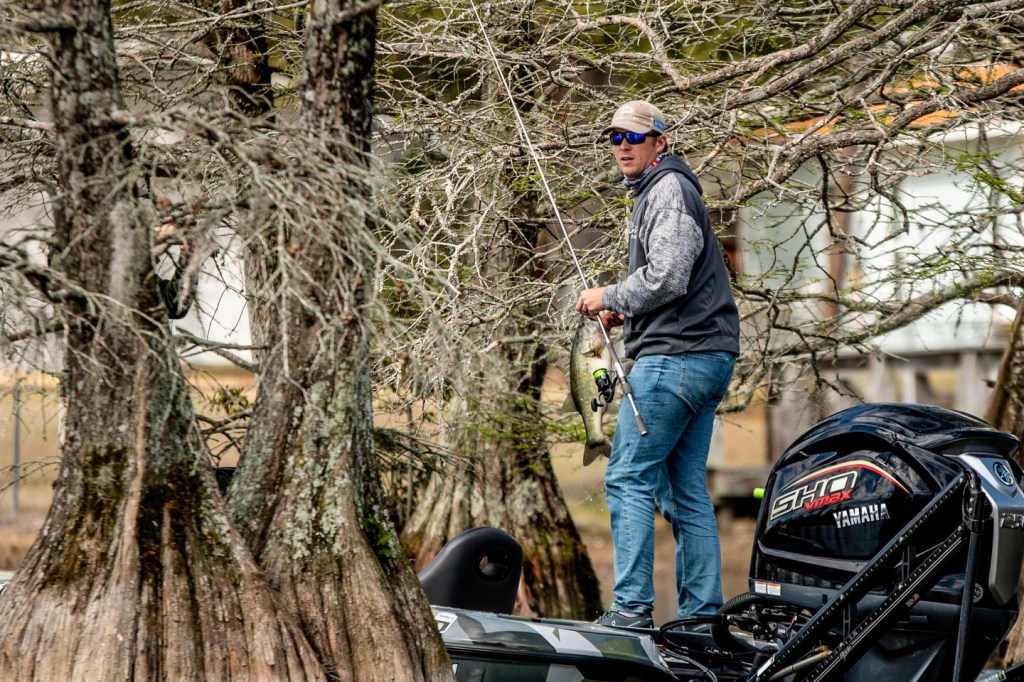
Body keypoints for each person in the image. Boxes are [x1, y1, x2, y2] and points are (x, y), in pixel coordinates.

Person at [576, 100, 740, 628]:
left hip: (677, 361)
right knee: (686, 492)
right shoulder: (660, 190)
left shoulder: (667, 189)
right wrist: (627, 308)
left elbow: (669, 275)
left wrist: (608, 294)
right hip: (704, 357)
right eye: (615, 138)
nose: (622, 147)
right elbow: (675, 284)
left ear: (659, 142)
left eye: (634, 137)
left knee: (627, 477)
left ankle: (631, 610)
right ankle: (701, 619)